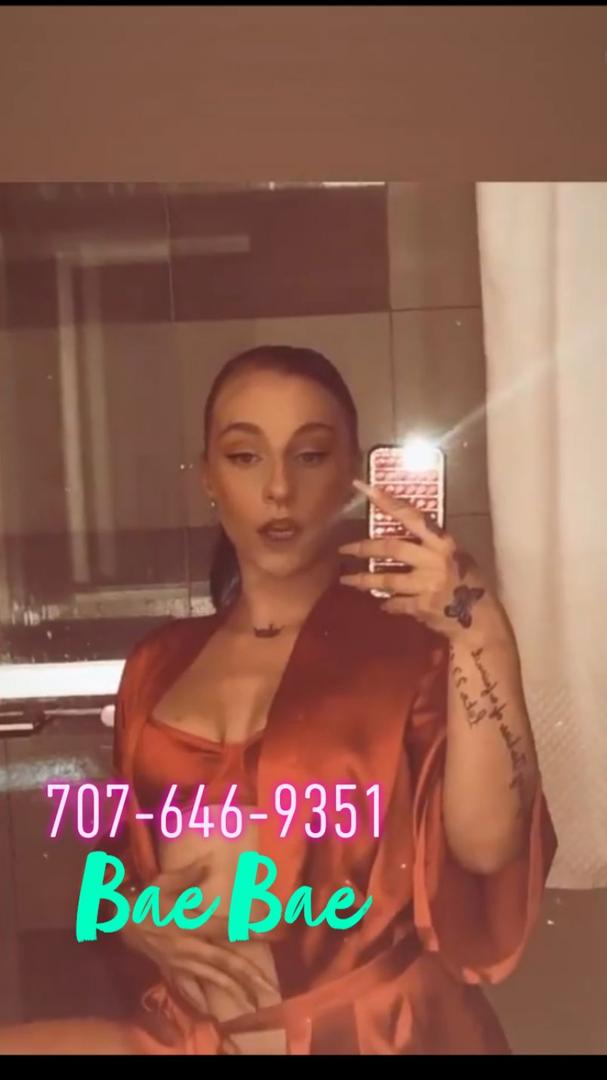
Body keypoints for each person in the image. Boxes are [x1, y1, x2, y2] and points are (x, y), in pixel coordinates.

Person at [0, 344, 556, 1055]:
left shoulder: (411, 648)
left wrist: (477, 625)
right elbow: (125, 861)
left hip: (376, 1036)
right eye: (245, 456)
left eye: (310, 455)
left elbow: (487, 844)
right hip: (192, 1035)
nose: (279, 490)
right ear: (208, 475)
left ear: (351, 474)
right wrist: (129, 917)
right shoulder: (157, 663)